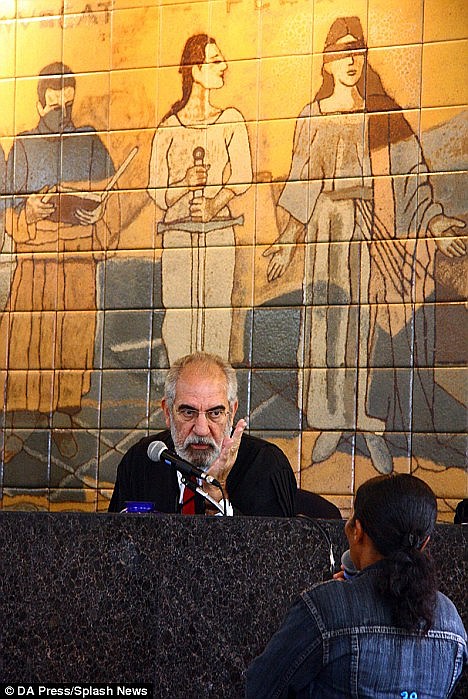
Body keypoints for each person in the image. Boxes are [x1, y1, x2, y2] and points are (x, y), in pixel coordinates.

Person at [264, 16, 465, 474]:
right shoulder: (312, 117)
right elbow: (302, 182)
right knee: (326, 323)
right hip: (326, 229)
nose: (351, 60)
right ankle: (330, 421)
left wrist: (433, 222)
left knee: (366, 327)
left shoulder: (382, 114)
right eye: (342, 52)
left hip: (374, 226)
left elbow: (412, 176)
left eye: (357, 50)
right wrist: (288, 241)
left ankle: (365, 420)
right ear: (327, 62)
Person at [245, 473, 467, 698]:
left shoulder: (324, 607)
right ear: (425, 542)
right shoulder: (451, 620)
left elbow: (261, 688)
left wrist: (335, 599)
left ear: (356, 530)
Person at [0, 62, 120, 461]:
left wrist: (98, 215)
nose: (62, 115)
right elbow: (6, 210)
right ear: (40, 105)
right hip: (36, 265)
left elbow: (115, 197)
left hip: (77, 263)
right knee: (24, 346)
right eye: (55, 108)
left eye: (68, 106)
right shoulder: (22, 146)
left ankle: (64, 418)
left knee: (73, 345)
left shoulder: (89, 141)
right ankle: (18, 425)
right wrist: (29, 212)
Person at [148, 34, 252, 365]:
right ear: (195, 70)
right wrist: (185, 183)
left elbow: (242, 176)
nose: (224, 66)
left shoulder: (231, 121)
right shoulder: (168, 129)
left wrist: (214, 204)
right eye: (215, 60)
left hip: (218, 233)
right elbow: (157, 192)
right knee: (179, 317)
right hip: (179, 237)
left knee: (216, 316)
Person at [108, 351, 296, 516]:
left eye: (215, 413)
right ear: (167, 412)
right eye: (188, 412)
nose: (201, 429)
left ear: (232, 412)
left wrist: (216, 498)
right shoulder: (141, 460)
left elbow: (273, 545)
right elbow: (113, 541)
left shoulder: (266, 465)